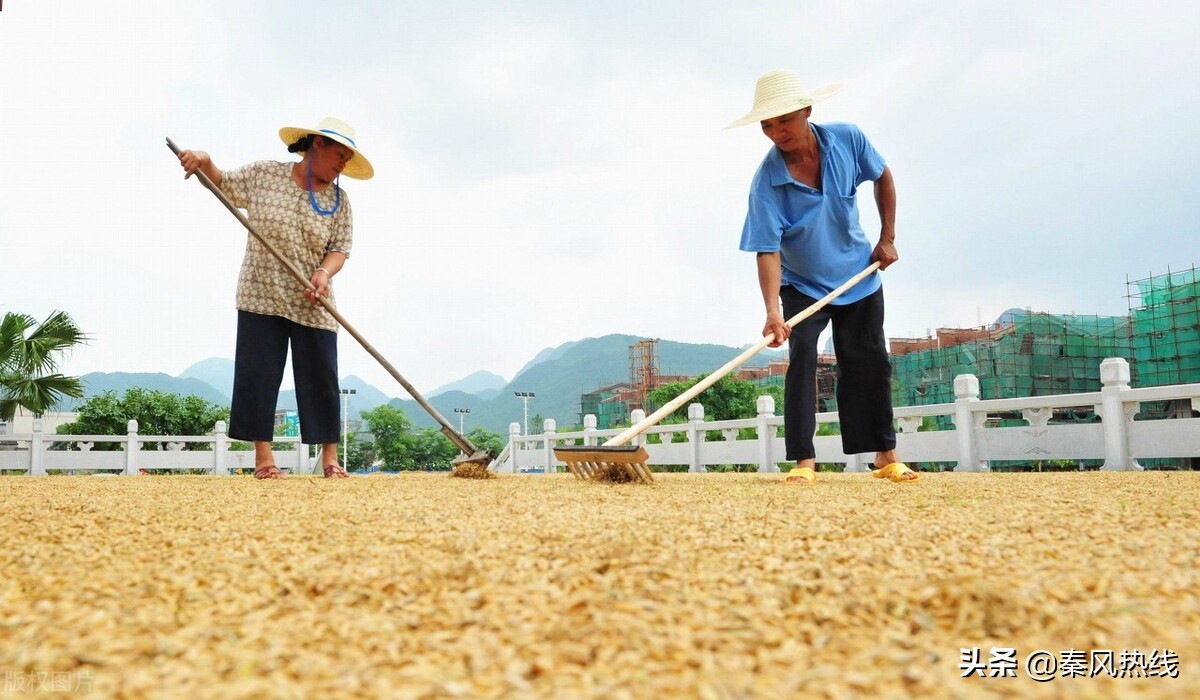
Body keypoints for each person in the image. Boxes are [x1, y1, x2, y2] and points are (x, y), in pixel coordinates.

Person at [727, 70, 917, 485]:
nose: (776, 132)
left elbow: (883, 177)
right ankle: (804, 462)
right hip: (801, 285)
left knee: (868, 360)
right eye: (767, 124)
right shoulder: (766, 184)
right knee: (803, 358)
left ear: (807, 111)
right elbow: (768, 249)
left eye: (784, 120)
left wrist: (887, 238)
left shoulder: (848, 139)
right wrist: (773, 311)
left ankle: (885, 455)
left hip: (857, 276)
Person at [177, 117, 374, 480]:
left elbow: (340, 249)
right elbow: (221, 183)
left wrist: (324, 274)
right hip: (261, 292)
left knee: (322, 376)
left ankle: (330, 459)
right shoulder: (265, 175)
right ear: (316, 145)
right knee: (258, 373)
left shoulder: (339, 200)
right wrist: (204, 160)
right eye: (339, 155)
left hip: (312, 298)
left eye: (348, 159)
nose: (342, 164)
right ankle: (264, 460)